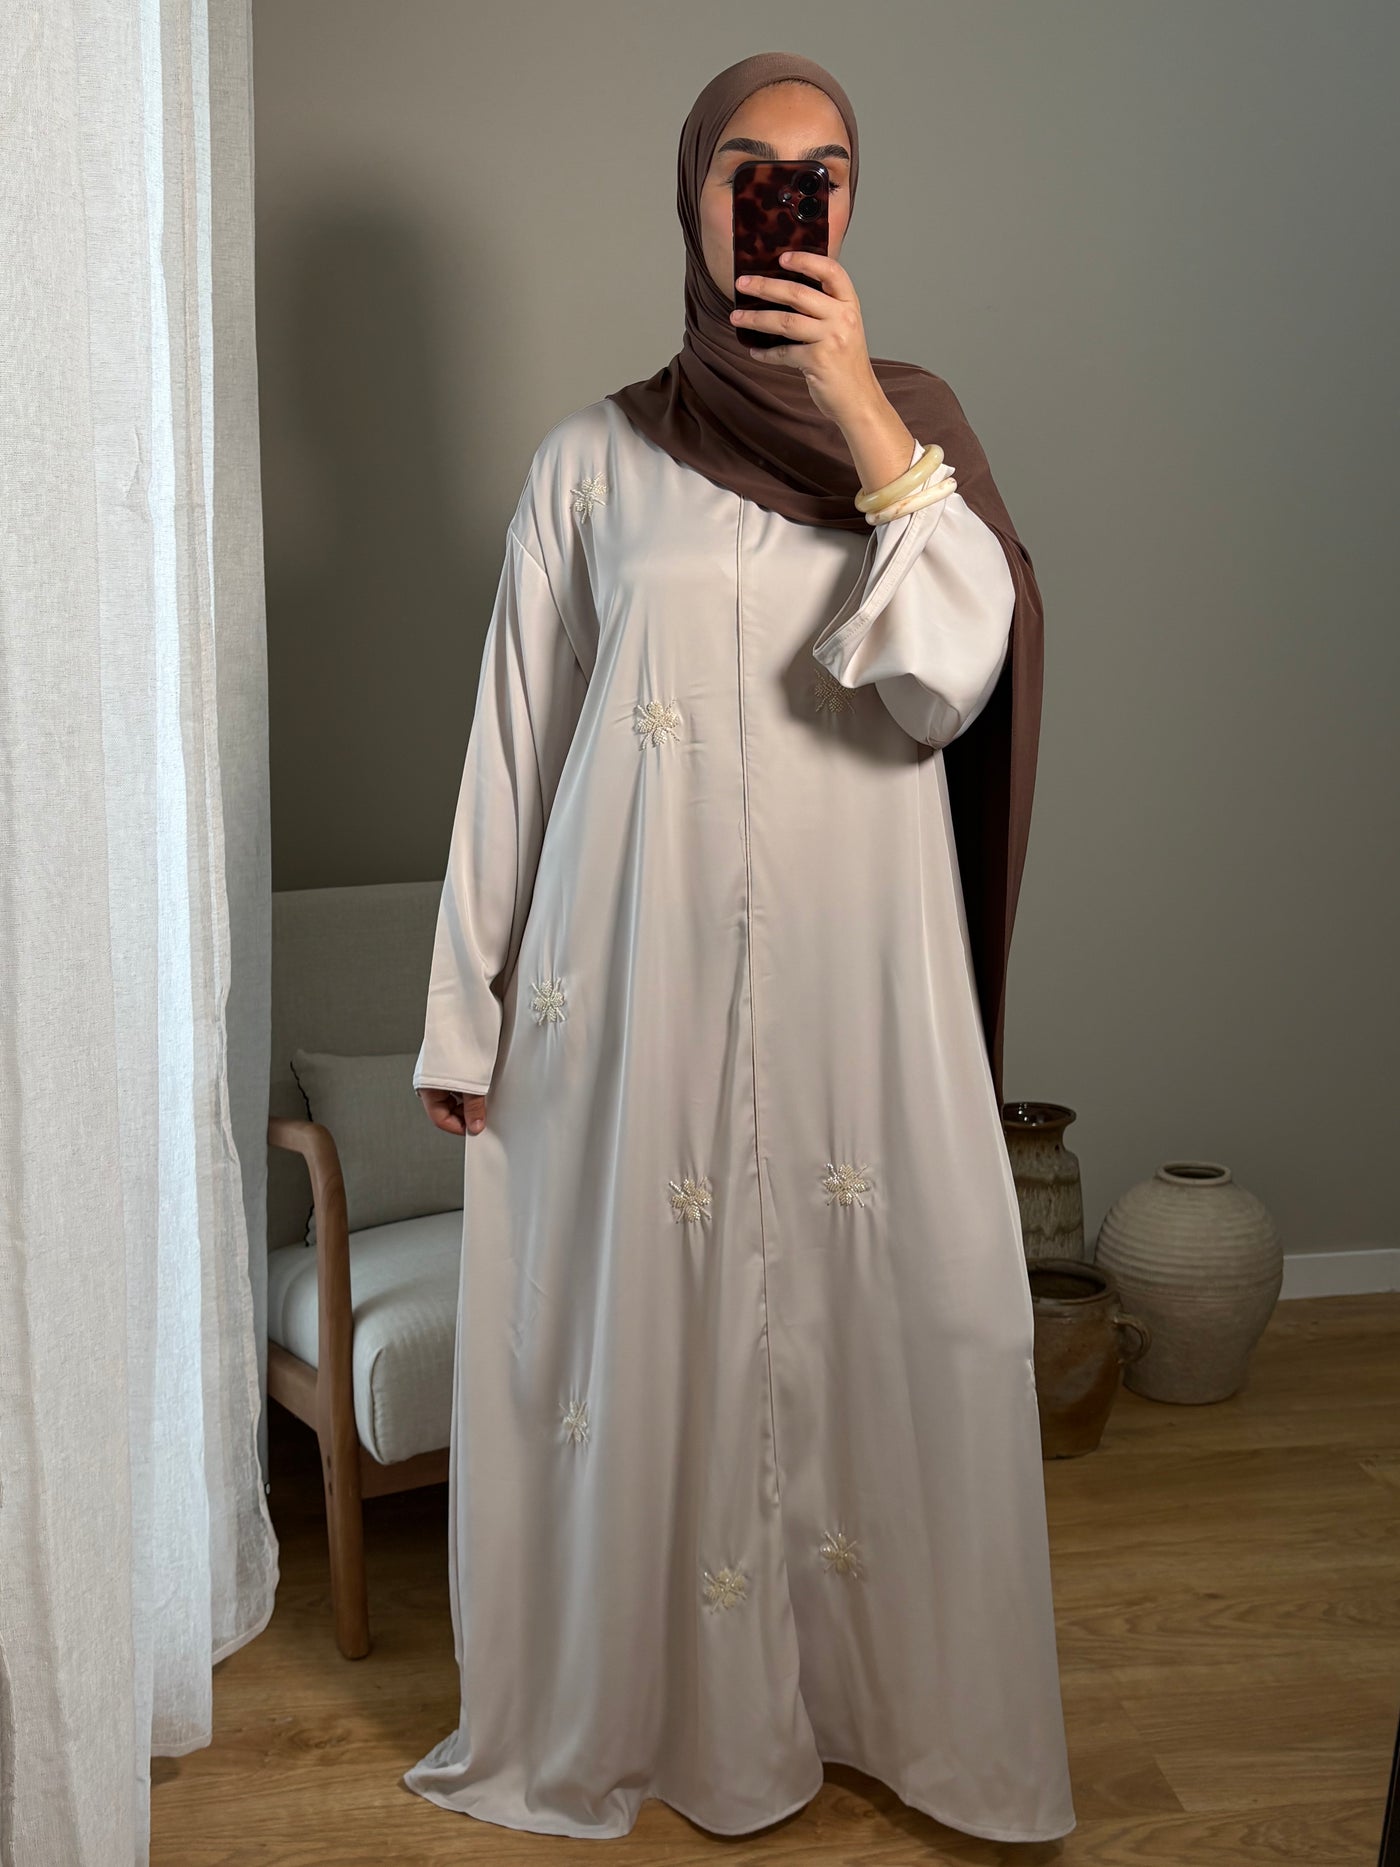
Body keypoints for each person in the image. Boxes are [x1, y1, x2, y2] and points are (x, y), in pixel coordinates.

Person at [402, 48, 1075, 1846]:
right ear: (696, 196)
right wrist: (464, 1016)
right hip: (633, 985)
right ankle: (682, 1727)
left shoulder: (911, 434)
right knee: (656, 1346)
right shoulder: (591, 460)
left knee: (897, 1324)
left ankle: (894, 1717)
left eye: (824, 171)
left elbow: (950, 680)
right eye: (752, 170)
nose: (790, 198)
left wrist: (856, 405)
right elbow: (516, 744)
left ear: (852, 205)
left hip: (864, 983)